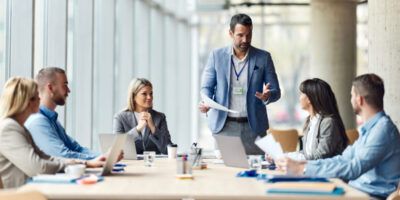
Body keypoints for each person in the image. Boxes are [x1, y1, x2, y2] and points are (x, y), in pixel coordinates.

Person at [276, 74, 400, 199]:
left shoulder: (382, 130)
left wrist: (303, 169)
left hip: (370, 195)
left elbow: (354, 168)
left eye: (352, 95)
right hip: (356, 191)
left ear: (359, 100)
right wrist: (302, 166)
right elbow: (343, 159)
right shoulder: (370, 129)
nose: (350, 99)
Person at [199, 13, 280, 155]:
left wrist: (268, 95)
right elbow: (207, 87)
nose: (245, 40)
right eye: (240, 35)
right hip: (224, 126)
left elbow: (276, 91)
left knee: (256, 172)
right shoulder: (216, 56)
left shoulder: (263, 58)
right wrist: (206, 101)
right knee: (225, 173)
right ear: (230, 33)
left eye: (249, 35)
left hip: (254, 127)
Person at [0, 77, 103, 188]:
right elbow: (38, 167)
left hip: (30, 190)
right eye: (37, 96)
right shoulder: (9, 128)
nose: (40, 99)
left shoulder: (20, 127)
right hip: (20, 195)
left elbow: (46, 158)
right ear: (27, 102)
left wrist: (83, 163)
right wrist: (70, 166)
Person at [25, 67, 100, 160]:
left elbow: (77, 148)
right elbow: (62, 155)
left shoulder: (52, 120)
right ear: (50, 88)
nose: (68, 90)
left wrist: (103, 156)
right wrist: (95, 159)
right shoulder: (37, 121)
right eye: (65, 85)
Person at [286, 78, 347, 161]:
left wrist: (288, 158)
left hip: (325, 172)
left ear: (310, 98)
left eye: (301, 94)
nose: (299, 98)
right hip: (311, 170)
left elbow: (320, 156)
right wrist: (281, 157)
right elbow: (306, 153)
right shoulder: (309, 121)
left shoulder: (328, 123)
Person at [113, 78, 172, 154]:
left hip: (155, 164)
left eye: (151, 93)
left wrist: (154, 128)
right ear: (133, 96)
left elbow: (168, 150)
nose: (149, 97)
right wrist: (137, 129)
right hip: (129, 164)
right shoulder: (120, 117)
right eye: (144, 94)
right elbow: (116, 149)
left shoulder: (160, 117)